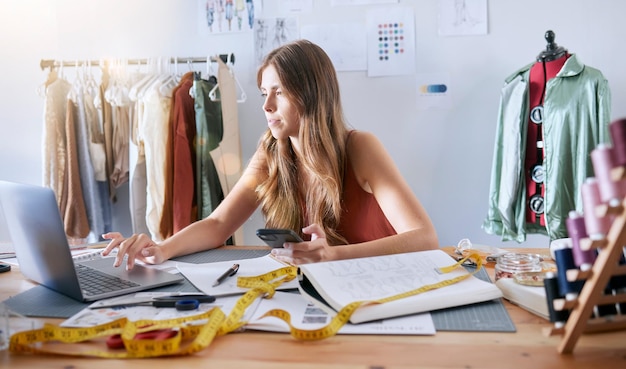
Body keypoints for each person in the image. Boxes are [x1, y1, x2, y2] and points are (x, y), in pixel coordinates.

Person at [102, 39, 438, 269]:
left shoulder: (360, 147)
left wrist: (334, 256)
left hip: (377, 290)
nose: (266, 105)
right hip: (312, 294)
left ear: (310, 94)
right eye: (264, 92)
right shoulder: (272, 153)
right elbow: (219, 224)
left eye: (278, 92)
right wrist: (161, 249)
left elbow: (424, 238)